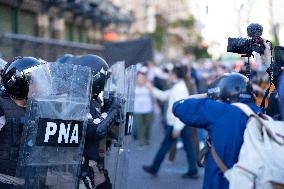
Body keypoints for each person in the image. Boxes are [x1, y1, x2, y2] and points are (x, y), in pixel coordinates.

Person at [172, 73, 260, 189]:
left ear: (222, 94)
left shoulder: (220, 111)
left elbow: (179, 106)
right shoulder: (261, 113)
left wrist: (208, 95)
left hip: (221, 183)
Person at [142, 65, 198, 178]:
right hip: (180, 122)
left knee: (165, 146)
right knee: (188, 146)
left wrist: (177, 127)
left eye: (171, 74)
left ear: (174, 75)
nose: (169, 76)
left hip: (176, 123)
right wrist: (151, 88)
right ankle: (193, 170)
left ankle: (155, 167)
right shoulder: (178, 86)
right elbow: (164, 96)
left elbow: (181, 109)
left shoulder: (179, 88)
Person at [0, 57, 44, 189]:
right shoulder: (2, 107)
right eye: (34, 82)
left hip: (31, 181)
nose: (39, 86)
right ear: (20, 83)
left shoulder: (37, 108)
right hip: (5, 181)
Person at [133, 70, 154, 146]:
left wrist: (156, 105)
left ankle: (147, 139)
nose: (140, 79)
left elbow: (154, 95)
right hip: (138, 110)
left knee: (148, 125)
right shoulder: (133, 86)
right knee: (139, 126)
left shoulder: (148, 85)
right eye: (139, 78)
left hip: (148, 109)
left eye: (142, 78)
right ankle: (141, 141)